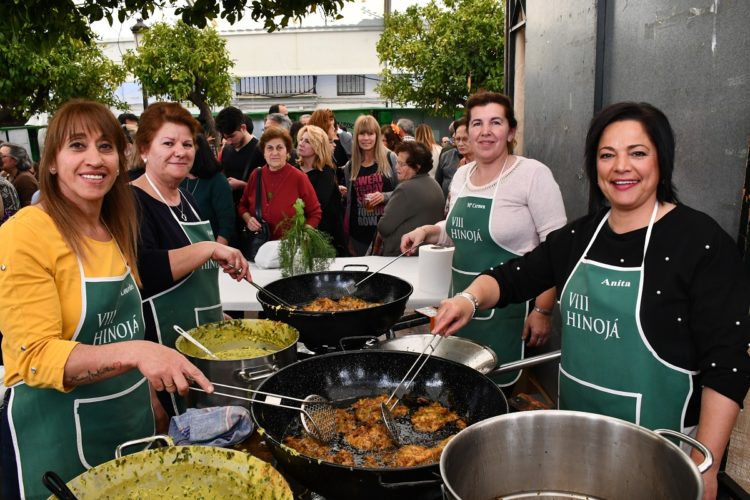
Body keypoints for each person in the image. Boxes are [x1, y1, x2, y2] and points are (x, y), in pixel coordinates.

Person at [430, 101, 750, 499]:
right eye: (606, 155)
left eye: (637, 153)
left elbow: (727, 364)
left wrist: (708, 465)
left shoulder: (699, 243)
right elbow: (515, 276)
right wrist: (468, 299)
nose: (621, 167)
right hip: (576, 442)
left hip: (663, 454)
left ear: (661, 160)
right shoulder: (581, 237)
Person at [0, 100, 214, 499]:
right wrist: (138, 353)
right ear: (51, 162)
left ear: (119, 159)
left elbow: (127, 321)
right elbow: (35, 357)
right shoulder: (26, 233)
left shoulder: (113, 226)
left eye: (105, 146)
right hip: (56, 442)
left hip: (129, 427)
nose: (94, 159)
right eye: (77, 146)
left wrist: (152, 401)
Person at [401, 91, 566, 388]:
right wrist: (427, 231)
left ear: (511, 130)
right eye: (477, 123)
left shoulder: (532, 175)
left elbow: (556, 249)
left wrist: (543, 310)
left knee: (501, 391)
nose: (486, 131)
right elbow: (455, 229)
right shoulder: (462, 175)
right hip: (460, 304)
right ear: (468, 131)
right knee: (463, 386)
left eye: (495, 122)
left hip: (509, 311)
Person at [131, 102, 249, 416]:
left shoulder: (186, 198)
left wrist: (215, 312)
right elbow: (144, 271)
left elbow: (195, 275)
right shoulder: (133, 201)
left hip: (202, 345)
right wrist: (209, 249)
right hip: (163, 354)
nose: (180, 152)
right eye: (168, 143)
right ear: (145, 149)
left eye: (187, 144)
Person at [238, 127, 321, 240]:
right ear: (264, 153)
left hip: (289, 248)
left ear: (287, 151)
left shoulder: (299, 178)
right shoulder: (256, 175)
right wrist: (248, 219)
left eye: (279, 148)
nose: (274, 153)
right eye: (270, 148)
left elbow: (315, 213)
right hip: (259, 248)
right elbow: (242, 206)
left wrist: (303, 234)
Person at [342, 115, 398, 256]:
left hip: (386, 233)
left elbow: (404, 192)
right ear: (356, 136)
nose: (366, 138)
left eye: (370, 133)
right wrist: (348, 235)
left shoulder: (390, 159)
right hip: (359, 237)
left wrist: (384, 196)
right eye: (362, 133)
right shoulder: (350, 166)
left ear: (377, 136)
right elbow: (350, 204)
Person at [377, 142, 444, 256]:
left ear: (417, 167)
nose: (396, 167)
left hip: (401, 255)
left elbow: (384, 227)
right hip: (426, 254)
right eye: (397, 162)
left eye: (401, 164)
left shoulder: (405, 189)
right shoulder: (435, 184)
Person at [296, 125, 348, 256]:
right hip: (300, 234)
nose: (301, 143)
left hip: (325, 237)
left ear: (318, 146)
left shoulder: (325, 172)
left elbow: (318, 203)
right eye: (301, 139)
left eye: (307, 141)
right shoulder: (294, 168)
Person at [216, 107, 262, 245]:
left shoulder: (261, 150)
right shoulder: (226, 150)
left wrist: (242, 185)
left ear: (243, 127)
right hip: (230, 218)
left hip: (253, 220)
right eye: (225, 137)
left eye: (231, 136)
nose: (229, 141)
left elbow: (270, 189)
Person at [180, 134, 235, 245]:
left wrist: (216, 253)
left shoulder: (217, 181)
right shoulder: (179, 179)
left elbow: (226, 223)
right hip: (185, 249)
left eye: (187, 147)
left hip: (211, 249)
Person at [434, 117, 470, 199]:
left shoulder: (483, 163)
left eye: (465, 139)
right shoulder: (446, 156)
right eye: (457, 139)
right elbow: (438, 182)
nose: (460, 143)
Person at [0, 143, 38, 207]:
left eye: (2, 156)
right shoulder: (8, 176)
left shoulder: (25, 179)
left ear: (16, 160)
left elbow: (30, 207)